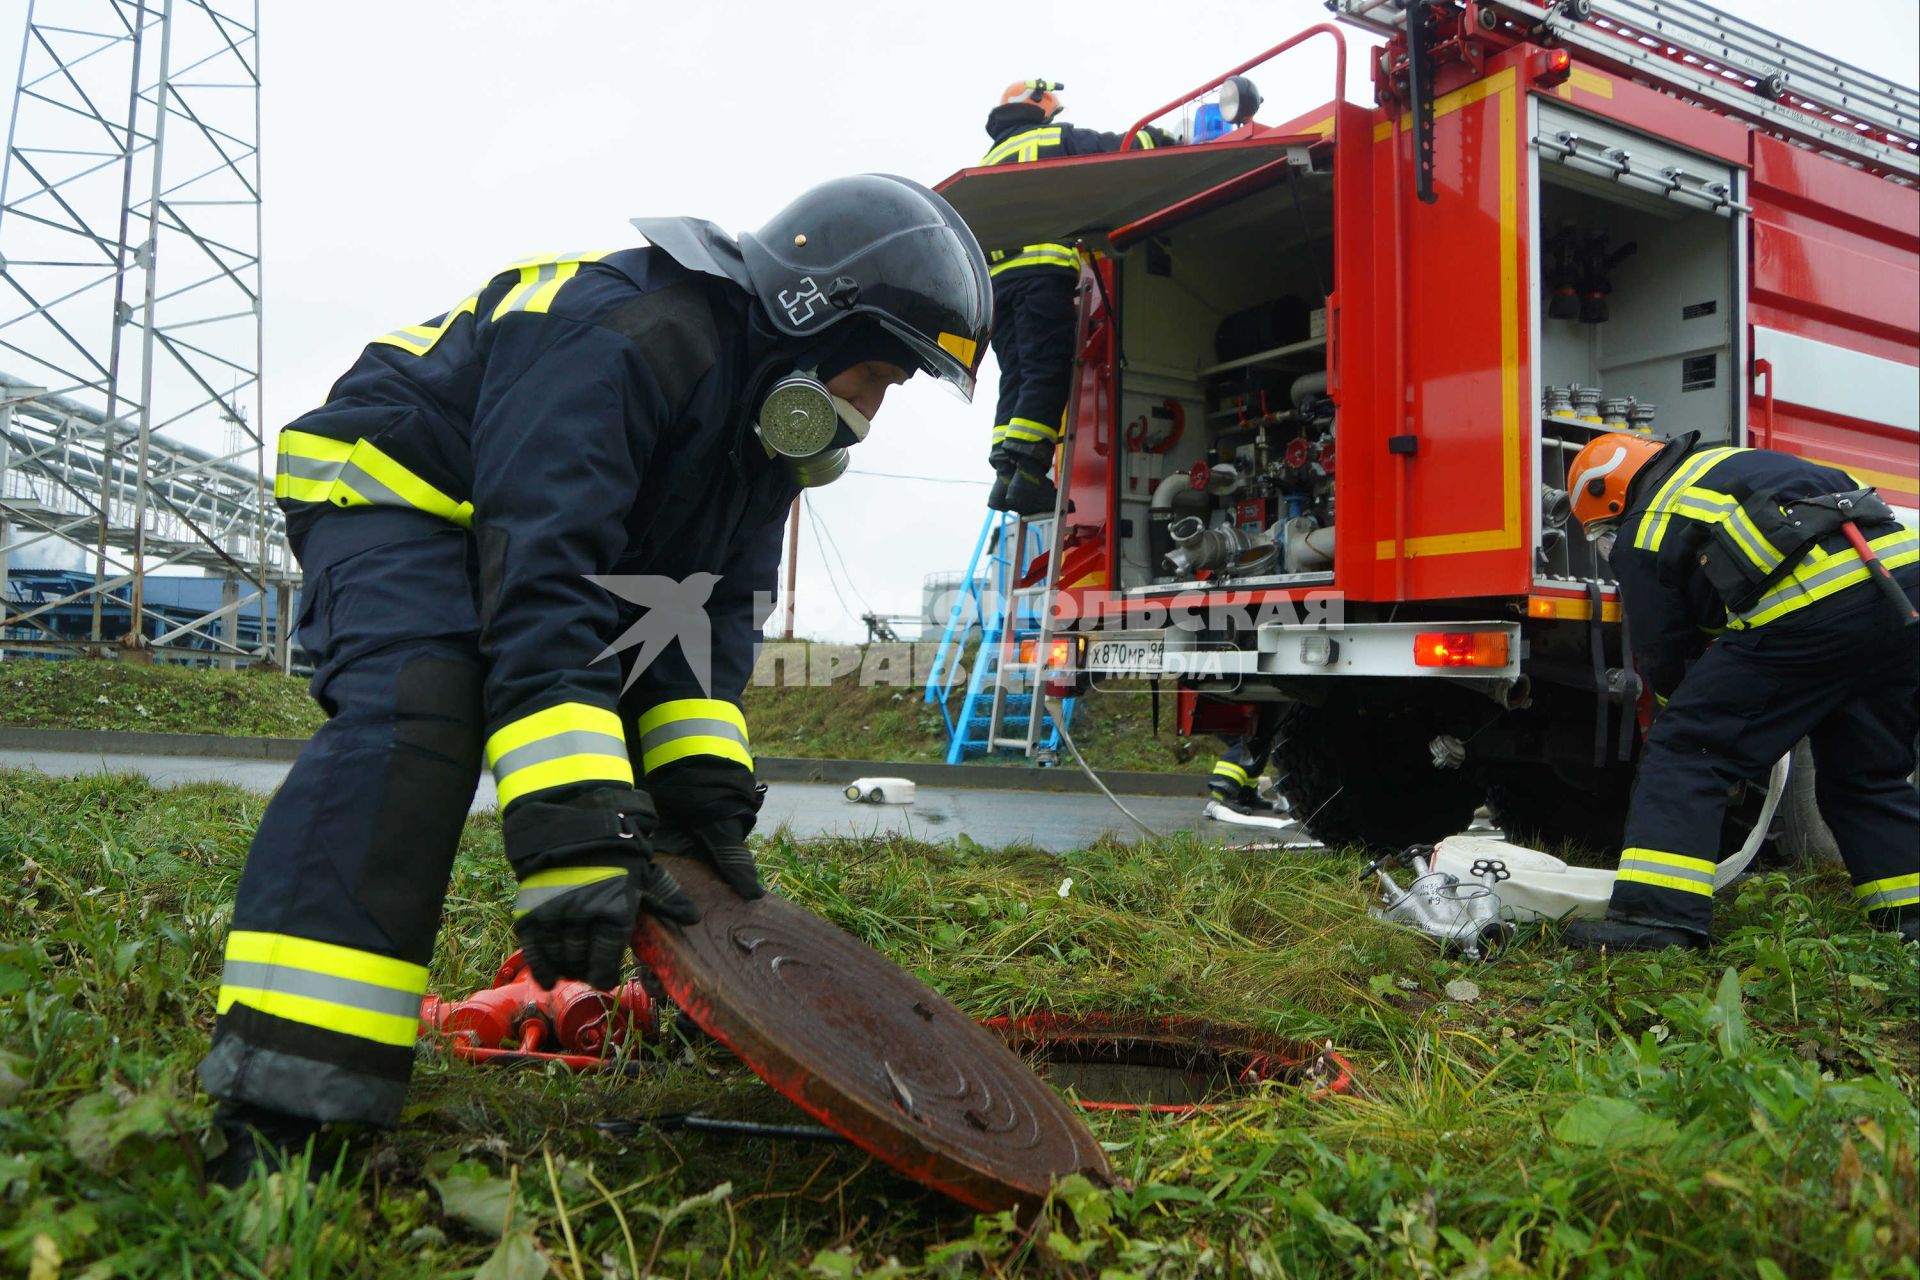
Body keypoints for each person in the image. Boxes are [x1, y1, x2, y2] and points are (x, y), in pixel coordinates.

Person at [199, 174, 991, 1183]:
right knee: (424, 703)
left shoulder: (757, 429)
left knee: (634, 758)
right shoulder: (629, 336)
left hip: (527, 532)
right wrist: (571, 823)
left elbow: (695, 614)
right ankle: (281, 1108)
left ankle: (661, 981)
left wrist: (693, 796)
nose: (868, 416)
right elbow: (546, 579)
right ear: (811, 319)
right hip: (397, 487)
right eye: (874, 376)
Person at [1559, 430, 1919, 951]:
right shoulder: (1736, 464)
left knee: (1687, 751)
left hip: (1812, 612)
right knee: (1869, 773)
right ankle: (1909, 918)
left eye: (1603, 533)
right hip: (1900, 600)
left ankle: (1656, 922)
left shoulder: (1647, 522)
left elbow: (1664, 646)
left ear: (1611, 498)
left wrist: (1674, 712)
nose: (1611, 543)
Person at [980, 79, 1170, 515]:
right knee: (1045, 373)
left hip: (999, 290)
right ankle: (1029, 473)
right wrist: (1160, 138)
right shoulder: (1052, 138)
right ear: (1038, 106)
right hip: (1040, 280)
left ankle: (1004, 475)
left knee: (1016, 378)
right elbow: (1117, 148)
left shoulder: (991, 157)